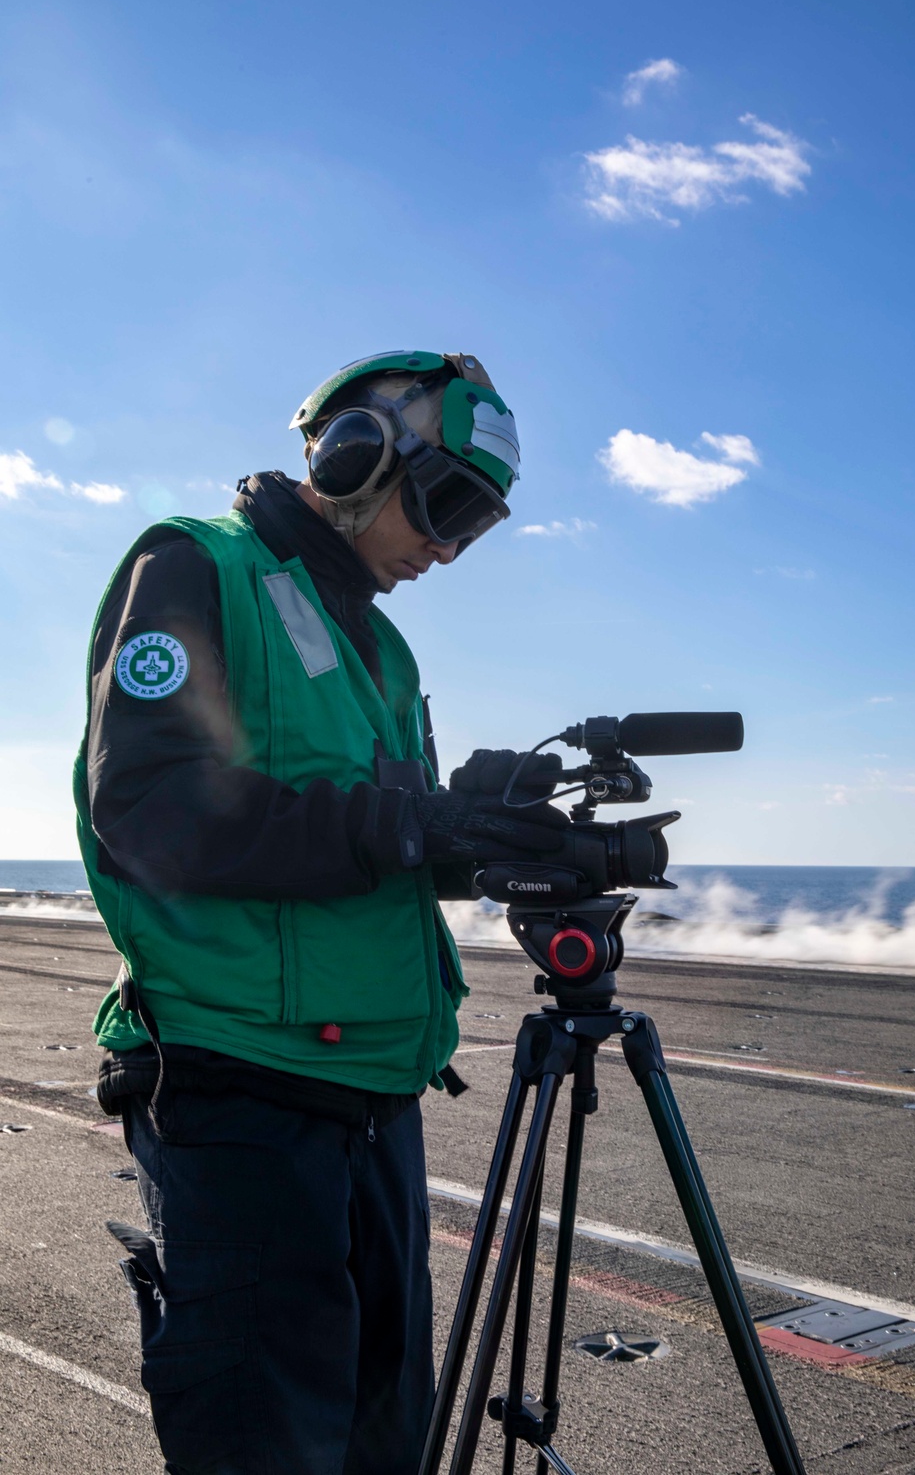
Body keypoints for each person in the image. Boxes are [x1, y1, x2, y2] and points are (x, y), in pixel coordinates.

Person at [73, 350, 568, 1475]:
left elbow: (375, 844)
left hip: (376, 1100)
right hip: (241, 1096)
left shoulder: (382, 650)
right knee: (269, 1445)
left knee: (383, 1437)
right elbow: (147, 814)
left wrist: (478, 834)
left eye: (475, 527)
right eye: (444, 506)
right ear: (355, 454)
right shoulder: (196, 567)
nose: (445, 549)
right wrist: (402, 829)